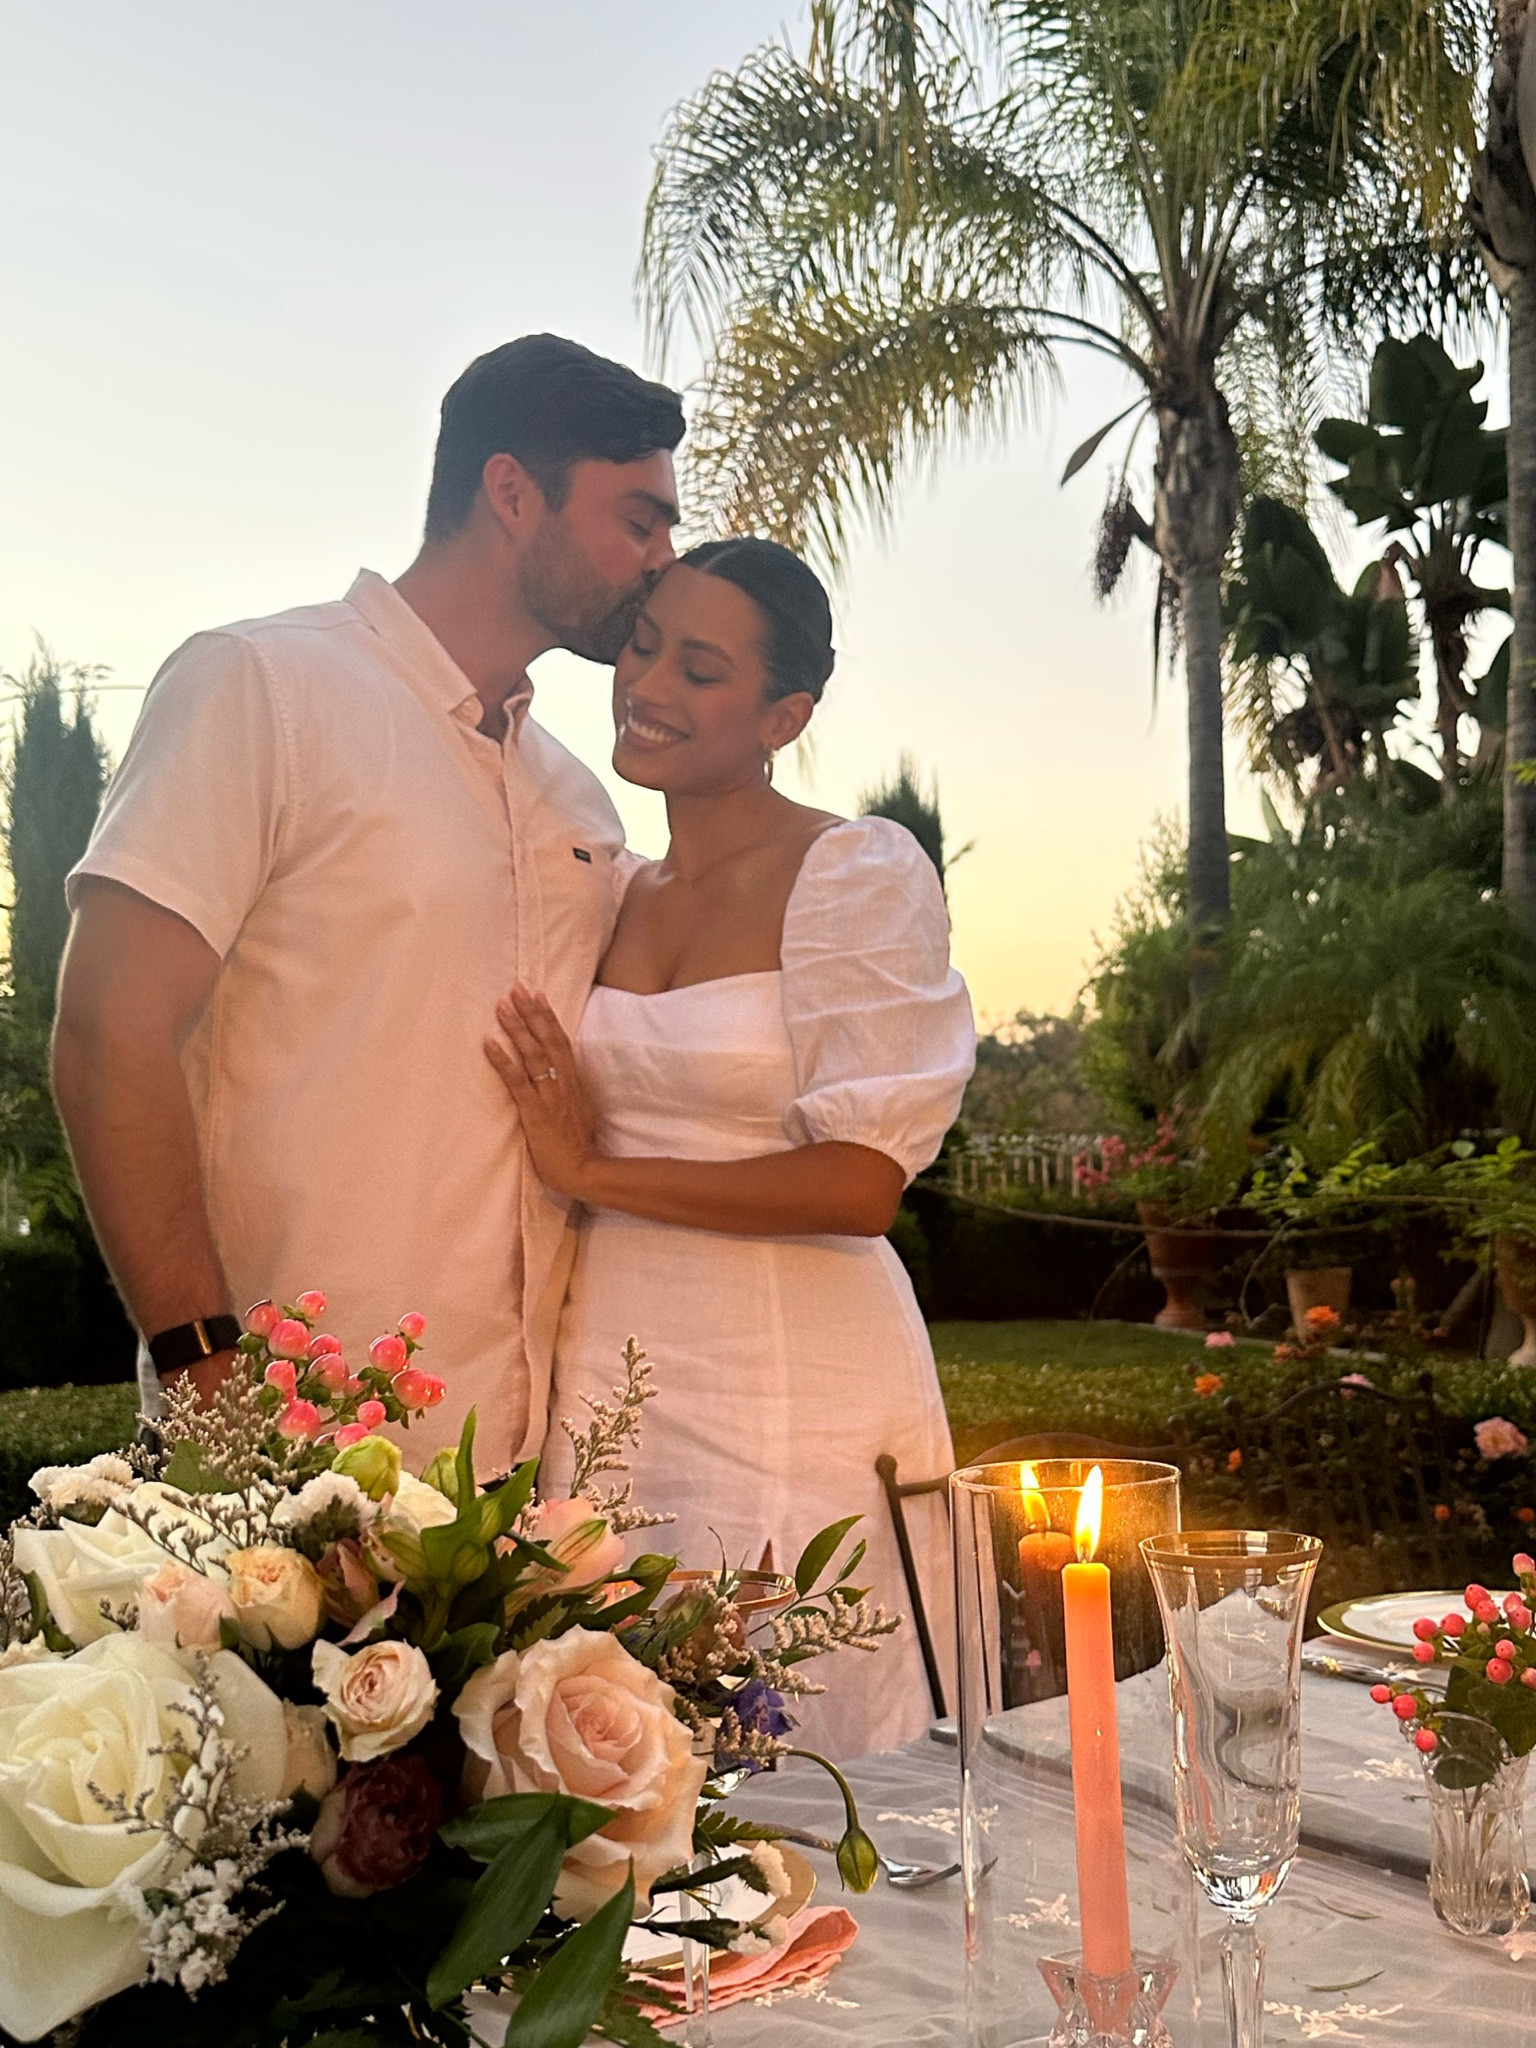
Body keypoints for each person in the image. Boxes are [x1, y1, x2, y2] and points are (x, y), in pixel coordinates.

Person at [52, 335, 684, 1477]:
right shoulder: (262, 685)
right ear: (511, 492)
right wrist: (209, 1384)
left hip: (517, 1498)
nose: (664, 557)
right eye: (639, 518)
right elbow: (109, 1029)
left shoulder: (575, 797)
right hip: (276, 1481)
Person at [486, 538, 975, 1756]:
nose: (647, 683)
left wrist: (592, 1174)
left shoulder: (851, 870)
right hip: (615, 1372)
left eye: (700, 668)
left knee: (797, 1747)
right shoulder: (610, 887)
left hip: (793, 1380)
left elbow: (863, 1179)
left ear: (784, 713)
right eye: (644, 645)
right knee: (610, 1744)